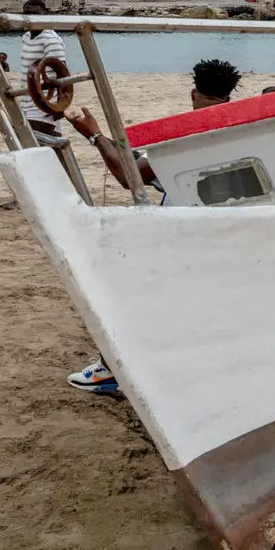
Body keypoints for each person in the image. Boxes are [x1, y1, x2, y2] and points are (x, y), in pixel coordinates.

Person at [64, 59, 240, 394]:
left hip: (177, 236)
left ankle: (111, 371)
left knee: (120, 288)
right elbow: (139, 163)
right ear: (228, 99)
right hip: (221, 234)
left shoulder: (183, 138)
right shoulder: (233, 128)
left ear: (192, 93)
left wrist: (94, 134)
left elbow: (127, 176)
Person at [15, 0, 69, 145]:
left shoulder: (51, 40)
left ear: (45, 13)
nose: (32, 17)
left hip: (44, 103)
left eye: (36, 13)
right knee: (54, 148)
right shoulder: (26, 36)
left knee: (33, 146)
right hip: (27, 99)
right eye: (27, 14)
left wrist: (59, 104)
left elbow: (62, 72)